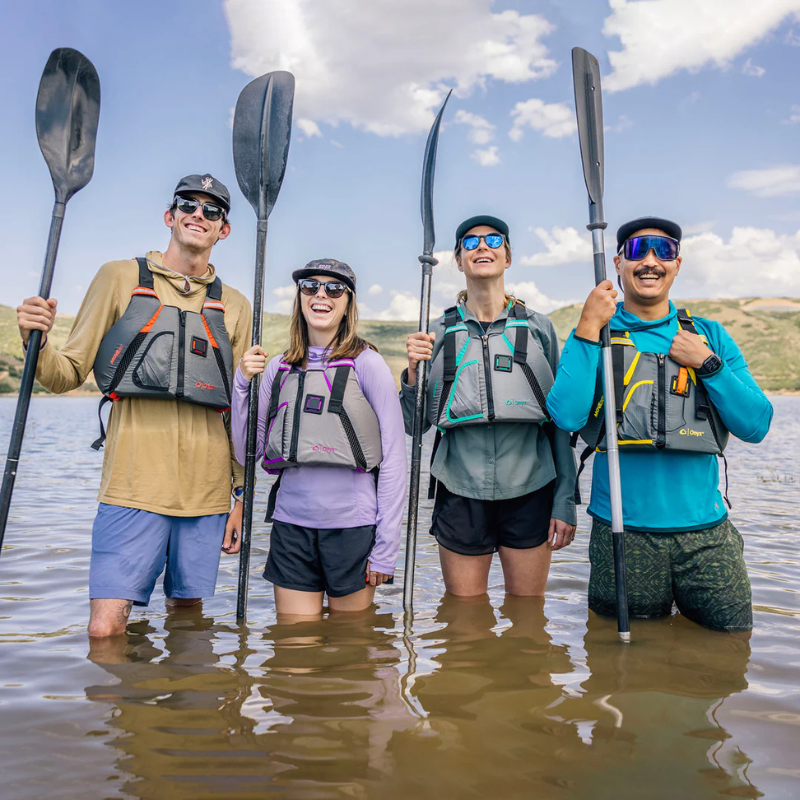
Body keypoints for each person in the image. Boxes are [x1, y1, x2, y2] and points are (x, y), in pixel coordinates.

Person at [16, 174, 252, 637]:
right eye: (188, 204)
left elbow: (239, 414)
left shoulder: (236, 306)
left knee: (188, 624)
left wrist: (240, 496)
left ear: (223, 229)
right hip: (132, 488)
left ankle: (179, 710)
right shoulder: (118, 277)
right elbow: (66, 374)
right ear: (170, 216)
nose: (198, 215)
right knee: (105, 630)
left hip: (206, 496)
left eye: (212, 210)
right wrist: (34, 344)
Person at [546, 216, 773, 631]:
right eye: (637, 251)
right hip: (622, 531)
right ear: (618, 263)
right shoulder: (594, 333)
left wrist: (707, 364)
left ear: (677, 264)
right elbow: (565, 415)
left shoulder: (710, 335)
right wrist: (586, 327)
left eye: (663, 251)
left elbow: (757, 425)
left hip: (706, 535)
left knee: (730, 648)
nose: (650, 261)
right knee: (622, 669)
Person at [402, 215, 577, 597]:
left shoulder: (538, 327)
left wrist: (564, 499)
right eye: (471, 242)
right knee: (463, 621)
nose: (482, 246)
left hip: (531, 487)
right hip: (459, 488)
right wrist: (413, 373)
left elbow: (560, 423)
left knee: (529, 613)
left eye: (494, 240)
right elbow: (414, 426)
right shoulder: (436, 331)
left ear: (507, 257)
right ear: (459, 260)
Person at [232, 259, 406, 617]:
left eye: (334, 288)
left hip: (353, 529)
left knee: (350, 651)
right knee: (292, 652)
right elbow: (246, 451)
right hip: (291, 527)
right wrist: (241, 385)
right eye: (310, 287)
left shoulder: (368, 364)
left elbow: (394, 462)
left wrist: (386, 548)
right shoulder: (278, 368)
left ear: (348, 303)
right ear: (299, 298)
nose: (321, 294)